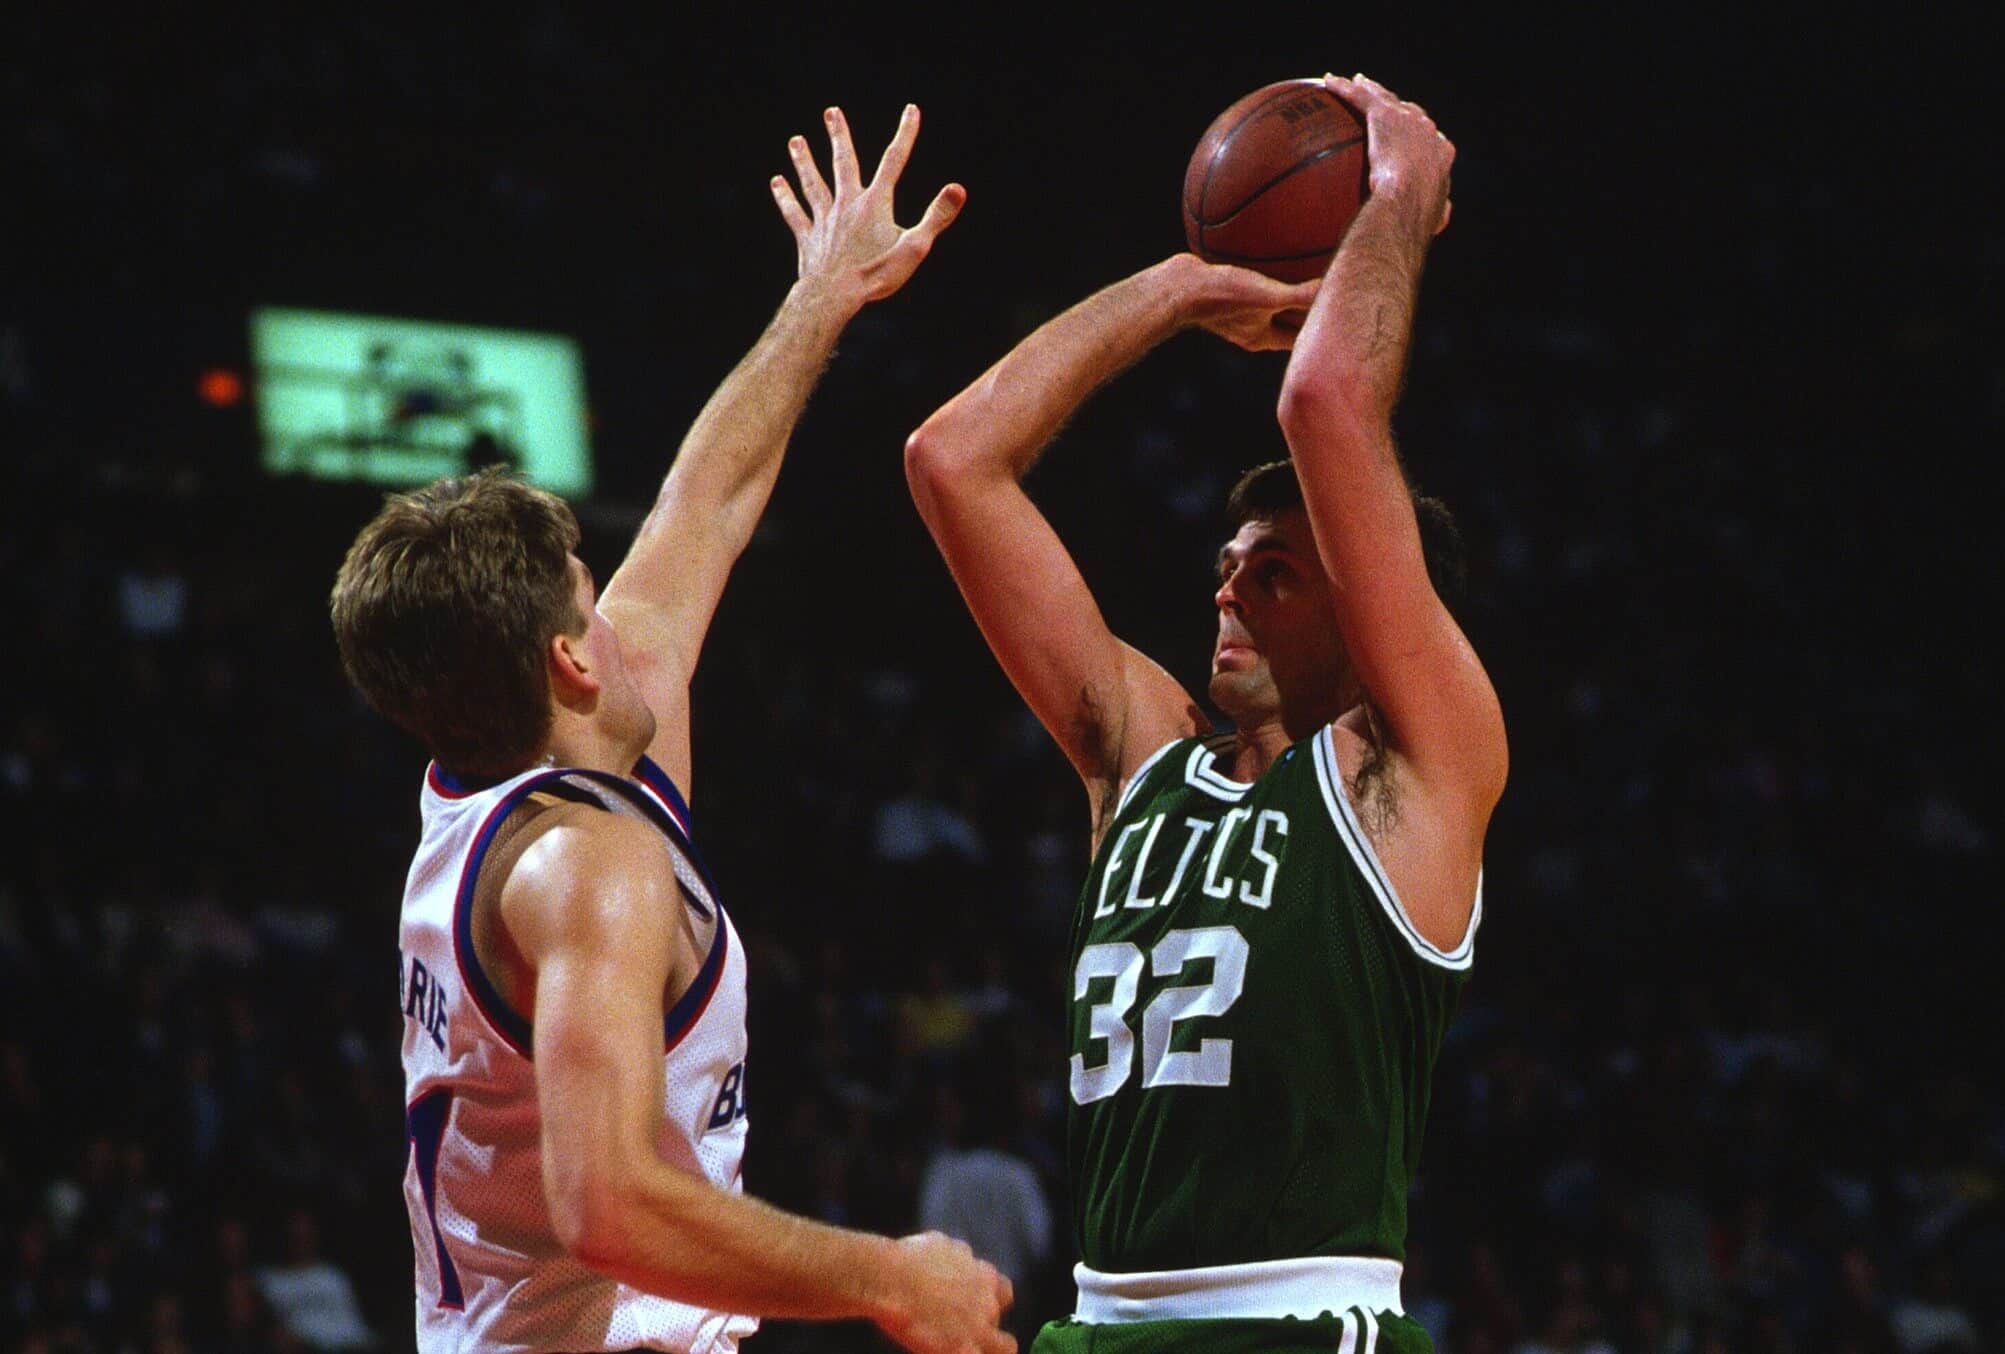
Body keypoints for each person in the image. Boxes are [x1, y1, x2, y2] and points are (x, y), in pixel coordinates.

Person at [331, 104, 1013, 1354]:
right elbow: (608, 1206)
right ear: (567, 659)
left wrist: (824, 296)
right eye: (593, 592)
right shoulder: (584, 869)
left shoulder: (516, 773)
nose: (622, 598)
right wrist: (889, 1276)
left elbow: (705, 501)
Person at [904, 74, 1505, 1353]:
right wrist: (1182, 288)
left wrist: (1395, 197)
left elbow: (1326, 400)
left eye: (1275, 572)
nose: (1227, 587)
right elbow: (952, 459)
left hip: (1296, 1321)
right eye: (1227, 563)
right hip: (1101, 1323)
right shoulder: (1144, 758)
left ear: (1371, 615)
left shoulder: (1415, 765)